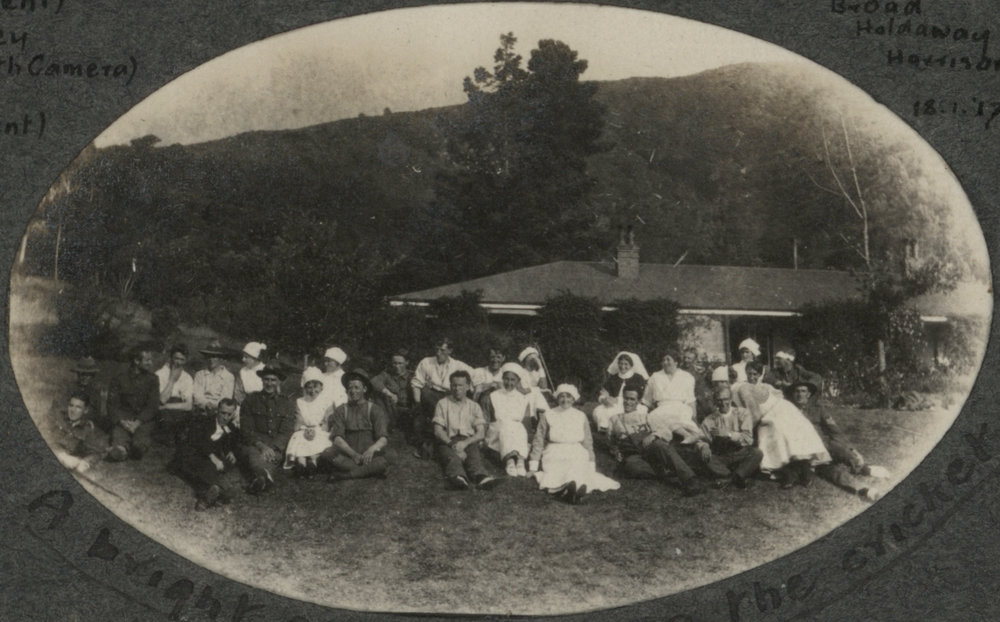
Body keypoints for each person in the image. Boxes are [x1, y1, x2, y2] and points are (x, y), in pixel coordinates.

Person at [790, 381, 888, 501]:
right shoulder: (788, 412)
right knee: (831, 472)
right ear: (793, 394)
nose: (800, 394)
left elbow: (834, 430)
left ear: (808, 394)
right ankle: (865, 490)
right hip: (810, 452)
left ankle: (863, 468)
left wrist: (851, 448)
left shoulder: (818, 410)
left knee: (843, 451)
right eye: (797, 391)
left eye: (803, 391)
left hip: (826, 445)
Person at [528, 384, 620, 504]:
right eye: (562, 396)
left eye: (568, 397)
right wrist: (533, 466)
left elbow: (587, 442)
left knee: (576, 467)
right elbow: (538, 440)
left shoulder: (580, 416)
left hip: (576, 450)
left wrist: (591, 463)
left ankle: (573, 490)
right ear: (557, 398)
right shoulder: (548, 415)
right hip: (554, 451)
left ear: (573, 399)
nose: (565, 400)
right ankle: (568, 490)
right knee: (558, 470)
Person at [608, 388, 706, 496]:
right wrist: (616, 451)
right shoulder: (614, 419)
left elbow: (666, 431)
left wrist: (654, 435)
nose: (628, 402)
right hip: (633, 454)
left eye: (632, 399)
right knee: (631, 466)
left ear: (638, 401)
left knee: (659, 445)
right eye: (626, 398)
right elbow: (611, 441)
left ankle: (691, 480)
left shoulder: (646, 416)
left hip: (649, 447)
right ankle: (670, 470)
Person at [735, 380, 831, 488]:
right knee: (782, 441)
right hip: (780, 409)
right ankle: (791, 473)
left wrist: (745, 432)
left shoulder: (742, 389)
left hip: (776, 412)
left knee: (776, 437)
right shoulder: (740, 388)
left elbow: (755, 415)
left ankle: (804, 471)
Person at [432, 370, 499, 490]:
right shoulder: (442, 403)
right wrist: (453, 444)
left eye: (461, 385)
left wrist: (464, 443)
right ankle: (458, 478)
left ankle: (481, 478)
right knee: (451, 457)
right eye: (454, 385)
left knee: (473, 456)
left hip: (468, 440)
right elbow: (438, 431)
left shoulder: (474, 406)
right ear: (450, 386)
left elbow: (480, 432)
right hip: (448, 440)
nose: (457, 389)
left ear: (468, 387)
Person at [169, 398, 239, 510]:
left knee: (219, 465)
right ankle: (214, 493)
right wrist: (213, 457)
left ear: (233, 414)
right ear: (217, 410)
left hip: (207, 459)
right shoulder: (204, 421)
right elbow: (197, 441)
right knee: (202, 467)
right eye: (223, 413)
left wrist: (230, 451)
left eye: (229, 414)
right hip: (193, 453)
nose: (225, 417)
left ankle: (211, 492)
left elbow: (228, 443)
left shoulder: (230, 427)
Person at [321, 369, 390, 480]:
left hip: (369, 454)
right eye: (350, 388)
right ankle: (368, 471)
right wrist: (353, 455)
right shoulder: (341, 410)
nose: (353, 391)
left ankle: (345, 475)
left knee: (388, 457)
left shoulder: (375, 409)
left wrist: (371, 450)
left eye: (357, 387)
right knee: (326, 455)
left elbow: (383, 438)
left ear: (365, 389)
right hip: (348, 454)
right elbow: (337, 438)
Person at [411, 338, 474, 458]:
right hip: (429, 398)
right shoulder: (426, 362)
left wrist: (481, 387)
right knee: (426, 393)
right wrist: (418, 403)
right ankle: (437, 441)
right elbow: (416, 383)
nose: (438, 353)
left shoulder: (457, 365)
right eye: (437, 349)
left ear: (450, 351)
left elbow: (476, 376)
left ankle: (435, 444)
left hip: (449, 397)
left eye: (442, 350)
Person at [238, 363, 295, 494]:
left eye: (273, 380)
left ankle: (261, 478)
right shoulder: (250, 400)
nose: (269, 383)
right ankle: (265, 477)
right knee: (253, 456)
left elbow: (286, 431)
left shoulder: (286, 403)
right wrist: (262, 446)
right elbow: (246, 428)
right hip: (255, 442)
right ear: (262, 380)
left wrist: (273, 447)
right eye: (266, 379)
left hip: (276, 444)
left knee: (273, 457)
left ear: (279, 382)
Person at [694, 387, 763, 489]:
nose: (723, 403)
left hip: (740, 453)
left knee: (757, 453)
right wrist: (704, 446)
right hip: (722, 457)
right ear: (715, 402)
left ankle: (729, 479)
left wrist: (728, 434)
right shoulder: (710, 419)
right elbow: (701, 438)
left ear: (731, 399)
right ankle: (738, 476)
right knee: (705, 457)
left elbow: (748, 439)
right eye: (719, 400)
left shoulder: (743, 413)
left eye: (726, 399)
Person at [107, 344, 160, 462]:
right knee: (119, 437)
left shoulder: (153, 379)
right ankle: (121, 449)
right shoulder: (119, 379)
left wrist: (137, 422)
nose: (151, 363)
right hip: (124, 419)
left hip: (143, 420)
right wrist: (121, 421)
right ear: (136, 361)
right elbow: (112, 404)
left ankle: (134, 448)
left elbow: (152, 406)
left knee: (139, 444)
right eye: (147, 360)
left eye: (151, 360)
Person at [483, 362, 532, 477]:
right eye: (506, 379)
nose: (509, 383)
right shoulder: (493, 396)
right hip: (497, 432)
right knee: (507, 425)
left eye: (512, 380)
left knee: (517, 426)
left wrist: (529, 440)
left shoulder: (523, 399)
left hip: (517, 433)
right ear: (502, 379)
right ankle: (510, 461)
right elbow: (486, 418)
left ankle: (519, 461)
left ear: (518, 381)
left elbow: (526, 423)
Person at [283, 367, 334, 477]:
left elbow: (328, 418)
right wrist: (303, 428)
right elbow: (299, 418)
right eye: (309, 388)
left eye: (316, 387)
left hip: (319, 429)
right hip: (304, 428)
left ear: (321, 387)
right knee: (299, 439)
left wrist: (322, 427)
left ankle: (313, 462)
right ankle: (301, 463)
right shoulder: (300, 401)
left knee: (319, 440)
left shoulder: (326, 401)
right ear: (305, 388)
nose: (312, 391)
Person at [45, 393, 108, 473]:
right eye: (71, 405)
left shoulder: (87, 429)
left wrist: (85, 463)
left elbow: (96, 453)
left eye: (78, 407)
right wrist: (60, 455)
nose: (73, 410)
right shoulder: (58, 420)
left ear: (85, 410)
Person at [591, 351, 649, 434]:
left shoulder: (638, 378)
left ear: (631, 365)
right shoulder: (613, 378)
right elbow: (603, 393)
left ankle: (624, 432)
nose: (623, 366)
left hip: (631, 403)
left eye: (626, 364)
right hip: (613, 404)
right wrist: (604, 399)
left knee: (639, 411)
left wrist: (621, 400)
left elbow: (640, 395)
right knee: (599, 410)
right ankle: (605, 431)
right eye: (621, 364)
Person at [154, 343, 194, 445]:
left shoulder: (187, 377)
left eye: (182, 360)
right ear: (171, 358)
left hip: (175, 408)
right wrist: (172, 380)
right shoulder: (160, 374)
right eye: (176, 358)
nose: (178, 363)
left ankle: (175, 436)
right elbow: (161, 400)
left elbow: (189, 405)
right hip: (163, 409)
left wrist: (167, 406)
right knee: (166, 419)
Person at [371, 350, 415, 436]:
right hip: (390, 409)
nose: (397, 366)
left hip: (408, 410)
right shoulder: (387, 374)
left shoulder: (413, 375)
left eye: (400, 363)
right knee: (379, 397)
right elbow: (374, 381)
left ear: (407, 362)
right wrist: (390, 394)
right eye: (395, 363)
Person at [302, 346, 348, 414]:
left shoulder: (344, 378)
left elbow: (342, 402)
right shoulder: (321, 376)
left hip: (335, 414)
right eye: (325, 361)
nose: (326, 364)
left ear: (338, 362)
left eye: (329, 361)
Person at [193, 342, 236, 415]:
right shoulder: (200, 374)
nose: (211, 359)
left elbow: (226, 397)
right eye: (208, 356)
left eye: (214, 356)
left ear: (220, 358)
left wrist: (214, 406)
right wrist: (206, 404)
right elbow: (197, 395)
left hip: (219, 411)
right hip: (202, 409)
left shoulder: (228, 377)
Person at [518, 346, 553, 412]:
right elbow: (522, 390)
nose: (535, 360)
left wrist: (540, 366)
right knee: (536, 397)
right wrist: (538, 390)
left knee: (538, 398)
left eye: (536, 358)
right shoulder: (520, 371)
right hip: (523, 398)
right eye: (532, 358)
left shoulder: (536, 373)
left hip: (535, 398)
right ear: (525, 360)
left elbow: (543, 386)